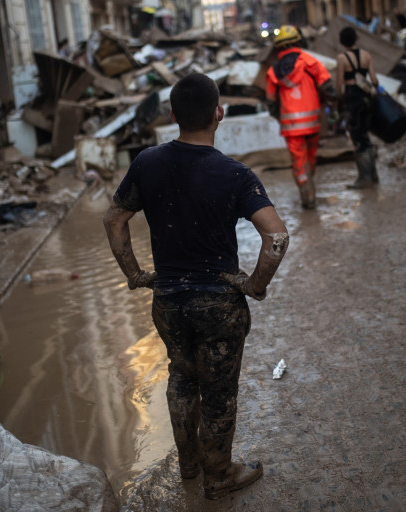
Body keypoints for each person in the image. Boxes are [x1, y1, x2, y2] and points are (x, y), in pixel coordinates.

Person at [103, 72, 289, 501]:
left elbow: (114, 218)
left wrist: (135, 274)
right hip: (218, 305)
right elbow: (277, 237)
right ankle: (219, 475)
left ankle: (189, 466)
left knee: (182, 380)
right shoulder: (235, 174)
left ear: (172, 116)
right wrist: (254, 285)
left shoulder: (146, 162)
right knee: (219, 392)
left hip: (168, 300)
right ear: (218, 115)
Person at [266, 25, 335, 209]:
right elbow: (329, 87)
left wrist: (280, 117)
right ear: (298, 42)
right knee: (310, 158)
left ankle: (307, 198)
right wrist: (332, 107)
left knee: (298, 161)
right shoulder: (308, 61)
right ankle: (310, 191)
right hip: (312, 124)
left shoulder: (274, 71)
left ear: (279, 47)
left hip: (290, 126)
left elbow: (271, 101)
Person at [335, 27, 381, 188]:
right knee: (366, 135)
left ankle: (364, 177)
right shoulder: (366, 55)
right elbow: (374, 80)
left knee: (357, 137)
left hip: (352, 99)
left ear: (342, 41)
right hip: (366, 98)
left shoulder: (342, 58)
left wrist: (340, 103)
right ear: (356, 39)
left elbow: (339, 85)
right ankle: (374, 175)